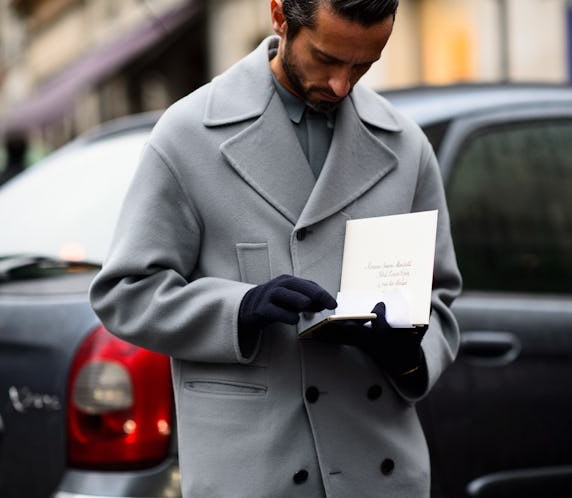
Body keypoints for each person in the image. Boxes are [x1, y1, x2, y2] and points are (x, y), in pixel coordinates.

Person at [89, 0, 462, 496]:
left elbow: (441, 296)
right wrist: (239, 310)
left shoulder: (406, 146)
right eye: (327, 59)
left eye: (363, 65)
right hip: (251, 471)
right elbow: (125, 291)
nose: (341, 85)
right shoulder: (187, 135)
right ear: (281, 16)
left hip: (379, 471)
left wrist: (409, 352)